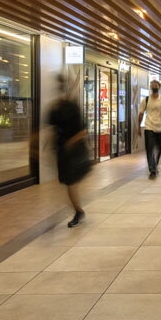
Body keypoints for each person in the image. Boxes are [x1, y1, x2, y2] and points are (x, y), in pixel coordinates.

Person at [45, 75, 92, 227]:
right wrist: (50, 147)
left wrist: (69, 144)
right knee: (68, 184)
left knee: (70, 184)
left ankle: (78, 211)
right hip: (63, 153)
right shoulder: (55, 109)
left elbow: (82, 131)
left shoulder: (72, 108)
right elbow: (52, 129)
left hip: (74, 153)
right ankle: (77, 210)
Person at [137, 79, 161, 179]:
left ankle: (154, 165)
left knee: (159, 149)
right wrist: (138, 126)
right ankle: (152, 170)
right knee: (149, 149)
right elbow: (141, 113)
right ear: (150, 87)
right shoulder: (146, 100)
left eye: (156, 84)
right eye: (152, 84)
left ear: (159, 87)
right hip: (149, 127)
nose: (154, 86)